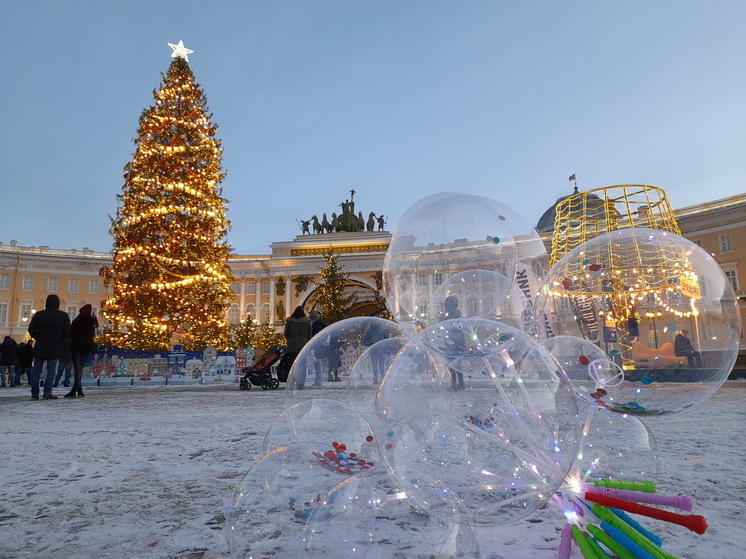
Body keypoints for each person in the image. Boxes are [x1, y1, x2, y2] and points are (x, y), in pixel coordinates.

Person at [27, 294, 71, 400]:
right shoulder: (63, 316)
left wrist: (38, 337)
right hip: (55, 346)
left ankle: (34, 393)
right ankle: (47, 392)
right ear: (58, 303)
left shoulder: (39, 315)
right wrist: (59, 339)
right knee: (51, 371)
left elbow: (31, 330)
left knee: (36, 371)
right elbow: (67, 332)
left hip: (40, 346)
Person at [66, 304, 98, 398]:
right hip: (86, 348)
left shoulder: (76, 321)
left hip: (76, 347)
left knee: (77, 369)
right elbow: (95, 330)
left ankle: (77, 390)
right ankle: (77, 390)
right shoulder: (91, 321)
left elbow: (70, 334)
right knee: (80, 369)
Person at [281, 306, 312, 383]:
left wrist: (291, 340)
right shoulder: (307, 322)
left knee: (292, 365)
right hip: (303, 347)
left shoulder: (289, 321)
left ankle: (293, 381)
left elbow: (286, 335)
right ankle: (301, 382)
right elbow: (310, 335)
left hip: (292, 347)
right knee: (302, 365)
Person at [442, 296, 465, 390]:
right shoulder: (458, 315)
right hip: (458, 343)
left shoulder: (449, 316)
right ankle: (461, 384)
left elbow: (444, 328)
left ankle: (454, 384)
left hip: (451, 343)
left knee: (451, 365)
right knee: (458, 365)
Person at [309, 310, 328, 387]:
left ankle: (318, 382)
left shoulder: (316, 326)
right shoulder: (321, 324)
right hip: (321, 346)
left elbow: (315, 338)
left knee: (318, 364)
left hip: (318, 347)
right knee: (318, 364)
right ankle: (318, 382)